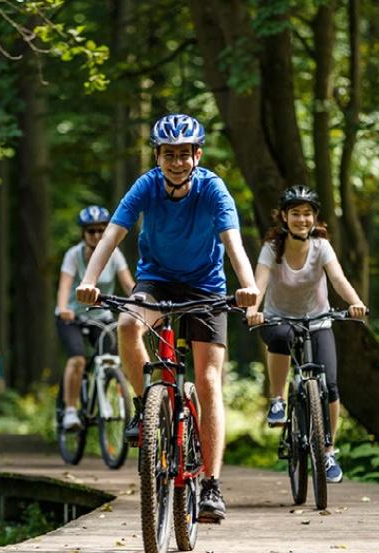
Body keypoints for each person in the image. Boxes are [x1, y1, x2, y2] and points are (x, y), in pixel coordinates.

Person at [76, 113, 259, 523]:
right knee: (127, 325)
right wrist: (89, 280)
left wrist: (247, 287)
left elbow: (234, 243)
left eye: (183, 154)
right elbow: (112, 236)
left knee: (207, 379)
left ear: (198, 155)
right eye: (168, 154)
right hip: (155, 281)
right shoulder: (146, 186)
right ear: (157, 156)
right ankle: (147, 408)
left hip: (205, 287)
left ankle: (210, 484)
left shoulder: (213, 189)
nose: (176, 162)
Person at [245, 185, 367, 483]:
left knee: (332, 386)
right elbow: (259, 283)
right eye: (296, 214)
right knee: (280, 337)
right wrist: (253, 309)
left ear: (315, 218)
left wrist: (355, 303)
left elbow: (337, 278)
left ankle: (327, 451)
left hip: (317, 320)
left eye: (308, 214)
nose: (302, 219)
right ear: (284, 218)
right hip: (278, 319)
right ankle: (277, 399)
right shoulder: (272, 249)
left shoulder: (321, 247)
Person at [56, 205, 135, 431]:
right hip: (72, 317)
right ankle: (71, 410)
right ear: (84, 233)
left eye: (102, 230)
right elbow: (64, 287)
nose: (97, 235)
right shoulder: (73, 255)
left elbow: (128, 284)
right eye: (91, 231)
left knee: (114, 359)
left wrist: (138, 300)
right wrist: (63, 308)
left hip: (101, 316)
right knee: (78, 359)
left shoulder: (115, 254)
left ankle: (114, 399)